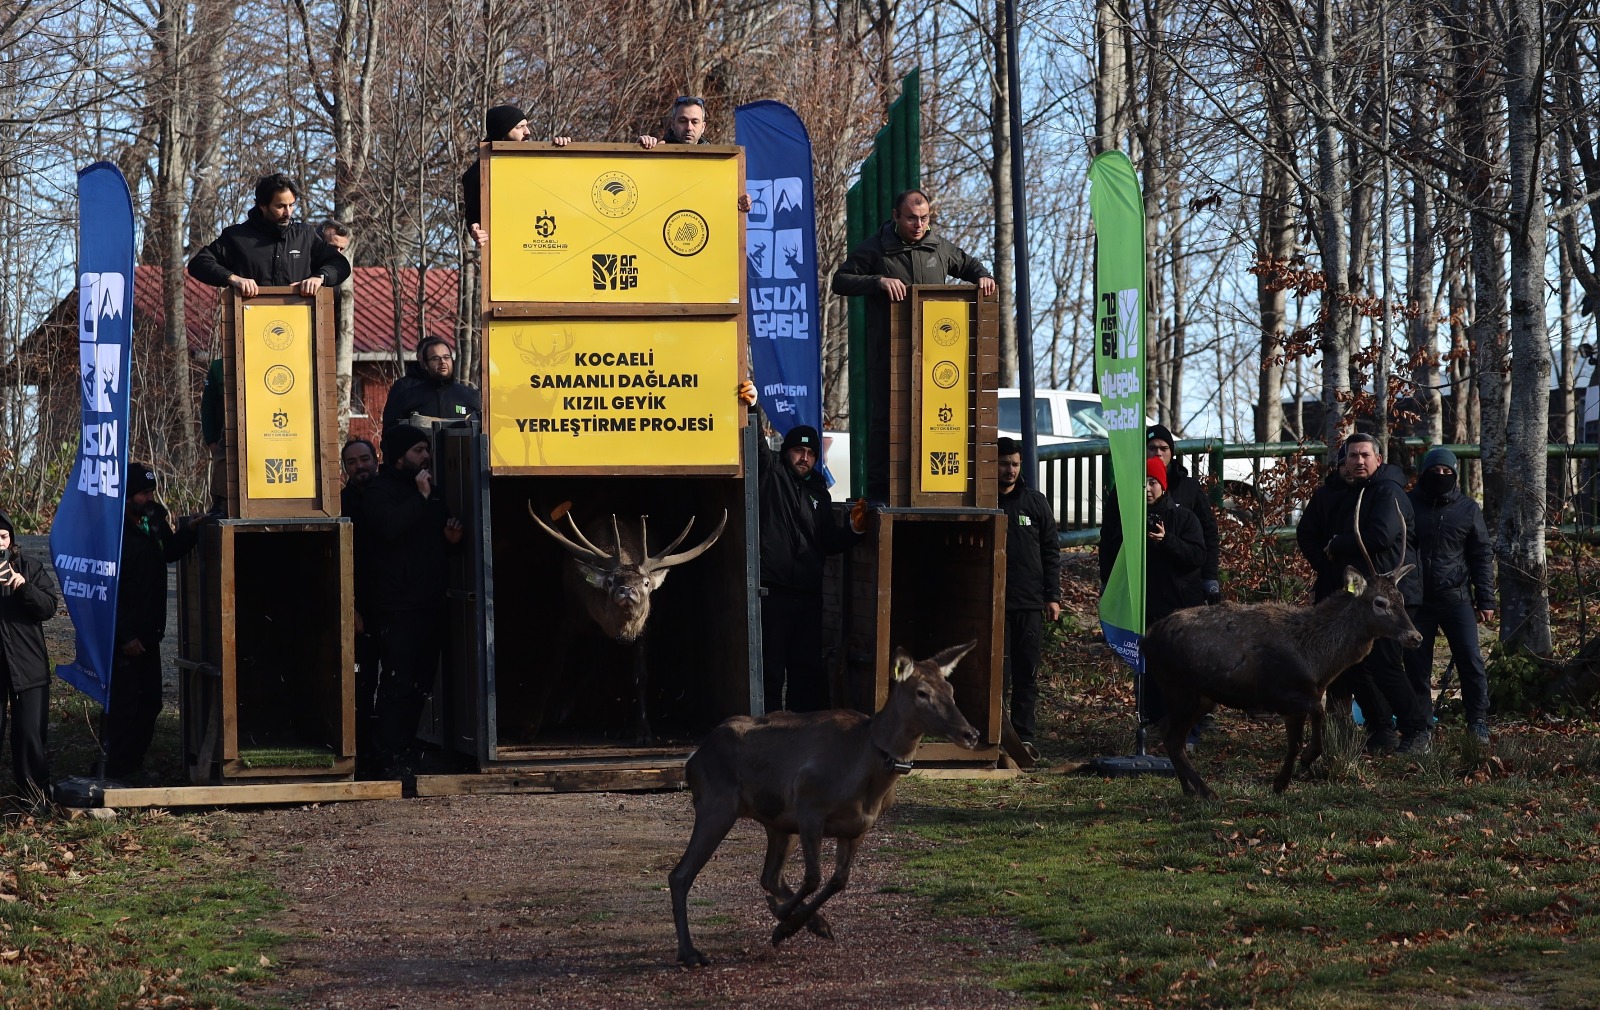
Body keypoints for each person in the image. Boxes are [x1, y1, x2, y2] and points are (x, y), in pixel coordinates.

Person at [830, 189, 996, 500]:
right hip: (890, 357)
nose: (918, 225)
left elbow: (970, 265)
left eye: (924, 218)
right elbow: (841, 279)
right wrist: (877, 281)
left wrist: (984, 276)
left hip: (937, 358)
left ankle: (939, 491)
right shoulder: (877, 248)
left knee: (935, 421)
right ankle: (882, 496)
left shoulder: (938, 247)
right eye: (911, 219)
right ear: (895, 217)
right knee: (888, 424)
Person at [1296, 433, 1425, 753]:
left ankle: (1417, 730)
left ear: (1378, 459)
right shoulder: (1347, 493)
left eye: (1365, 455)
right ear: (1344, 461)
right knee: (1357, 666)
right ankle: (1381, 729)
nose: (1359, 461)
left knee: (1385, 666)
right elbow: (1309, 534)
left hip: (1388, 597)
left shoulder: (1387, 492)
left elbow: (1381, 535)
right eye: (1352, 456)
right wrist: (1327, 565)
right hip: (1359, 598)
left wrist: (1338, 544)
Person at [362, 425, 464, 775]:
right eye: (419, 450)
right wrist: (418, 498)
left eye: (426, 450)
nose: (426, 457)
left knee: (421, 683)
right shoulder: (378, 491)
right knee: (397, 684)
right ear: (399, 455)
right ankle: (385, 757)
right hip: (395, 606)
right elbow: (389, 528)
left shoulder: (431, 491)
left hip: (429, 603)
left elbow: (440, 542)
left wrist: (453, 540)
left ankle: (407, 751)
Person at [102, 464, 202, 781]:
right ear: (126, 496)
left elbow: (168, 551)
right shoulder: (111, 532)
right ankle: (112, 768)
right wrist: (124, 635)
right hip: (124, 639)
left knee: (151, 703)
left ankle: (133, 765)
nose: (149, 498)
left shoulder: (154, 518)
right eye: (142, 493)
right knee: (123, 707)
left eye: (150, 492)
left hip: (150, 633)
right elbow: (106, 590)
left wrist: (191, 532)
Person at [757, 423, 865, 712]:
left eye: (810, 453)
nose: (804, 457)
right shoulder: (771, 473)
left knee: (805, 673)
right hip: (773, 594)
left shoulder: (819, 490)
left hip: (808, 597)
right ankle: (767, 733)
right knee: (771, 671)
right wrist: (753, 406)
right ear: (786, 451)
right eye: (797, 451)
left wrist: (854, 531)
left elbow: (828, 541)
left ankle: (799, 737)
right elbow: (756, 444)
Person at [1099, 458, 1206, 726]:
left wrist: (1166, 541)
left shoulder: (1183, 518)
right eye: (1142, 483)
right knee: (1149, 669)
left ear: (1163, 485)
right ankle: (1151, 722)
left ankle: (1187, 727)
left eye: (1153, 482)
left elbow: (1196, 556)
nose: (1147, 488)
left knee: (1181, 669)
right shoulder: (1129, 519)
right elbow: (1112, 554)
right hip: (1143, 607)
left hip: (1179, 608)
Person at [1405, 447, 1496, 743]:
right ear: (1424, 472)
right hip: (1417, 602)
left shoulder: (1468, 508)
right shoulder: (1407, 505)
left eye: (1447, 472)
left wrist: (1486, 600)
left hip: (1456, 598)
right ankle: (1421, 727)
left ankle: (1478, 720)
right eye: (1435, 471)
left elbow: (1480, 555)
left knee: (1471, 659)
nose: (1441, 476)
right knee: (1417, 666)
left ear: (1455, 475)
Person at [187, 172, 352, 298]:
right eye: (280, 206)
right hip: (250, 325)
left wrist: (320, 278)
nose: (288, 212)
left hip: (299, 326)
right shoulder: (237, 237)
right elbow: (199, 263)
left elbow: (340, 265)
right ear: (263, 206)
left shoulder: (305, 236)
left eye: (291, 205)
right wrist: (233, 279)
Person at [996, 437, 1061, 752]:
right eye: (1004, 463)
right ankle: (994, 733)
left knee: (1027, 673)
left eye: (1015, 464)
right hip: (994, 604)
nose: (1010, 470)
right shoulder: (984, 503)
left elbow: (1051, 551)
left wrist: (1053, 596)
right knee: (999, 674)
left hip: (1030, 603)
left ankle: (1024, 735)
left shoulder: (1035, 502)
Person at [0, 513, 60, 803]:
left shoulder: (29, 568)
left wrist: (23, 587)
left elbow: (49, 607)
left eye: (2, 536)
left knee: (29, 735)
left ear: (11, 540)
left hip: (28, 665)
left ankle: (35, 800)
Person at [461, 104, 571, 248]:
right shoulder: (477, 174)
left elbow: (566, 188)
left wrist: (563, 151)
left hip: (550, 245)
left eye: (526, 125)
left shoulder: (539, 161)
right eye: (519, 127)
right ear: (502, 132)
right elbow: (474, 218)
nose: (528, 132)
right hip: (509, 251)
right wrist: (476, 231)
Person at [340, 438, 382, 776]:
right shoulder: (341, 506)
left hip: (395, 608)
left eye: (364, 459)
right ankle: (363, 756)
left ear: (376, 459)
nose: (359, 466)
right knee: (361, 685)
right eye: (352, 462)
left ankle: (389, 753)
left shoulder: (393, 496)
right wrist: (350, 609)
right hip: (361, 612)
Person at [1145, 424, 1221, 603]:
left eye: (1164, 448)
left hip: (1183, 587)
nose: (1158, 453)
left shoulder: (1190, 488)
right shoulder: (1128, 489)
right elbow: (1111, 535)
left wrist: (1210, 577)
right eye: (1152, 448)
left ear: (1171, 452)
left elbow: (1208, 534)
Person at [380, 336, 482, 432]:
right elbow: (390, 434)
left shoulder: (470, 397)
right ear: (425, 364)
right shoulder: (407, 397)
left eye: (446, 357)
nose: (442, 362)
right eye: (435, 359)